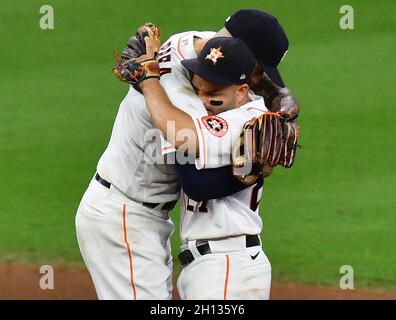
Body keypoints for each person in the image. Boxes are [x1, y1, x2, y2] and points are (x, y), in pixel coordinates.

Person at [75, 9, 298, 300]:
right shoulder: (180, 88)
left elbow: (274, 91)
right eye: (259, 69)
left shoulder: (203, 51)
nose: (260, 81)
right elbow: (195, 178)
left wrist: (287, 108)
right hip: (123, 214)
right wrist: (256, 168)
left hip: (147, 215)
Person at [136, 35, 274, 299]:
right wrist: (246, 174)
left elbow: (197, 183)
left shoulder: (243, 121)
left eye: (213, 94)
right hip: (215, 265)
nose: (200, 100)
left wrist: (149, 79)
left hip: (226, 265)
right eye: (197, 89)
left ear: (242, 90)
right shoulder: (224, 117)